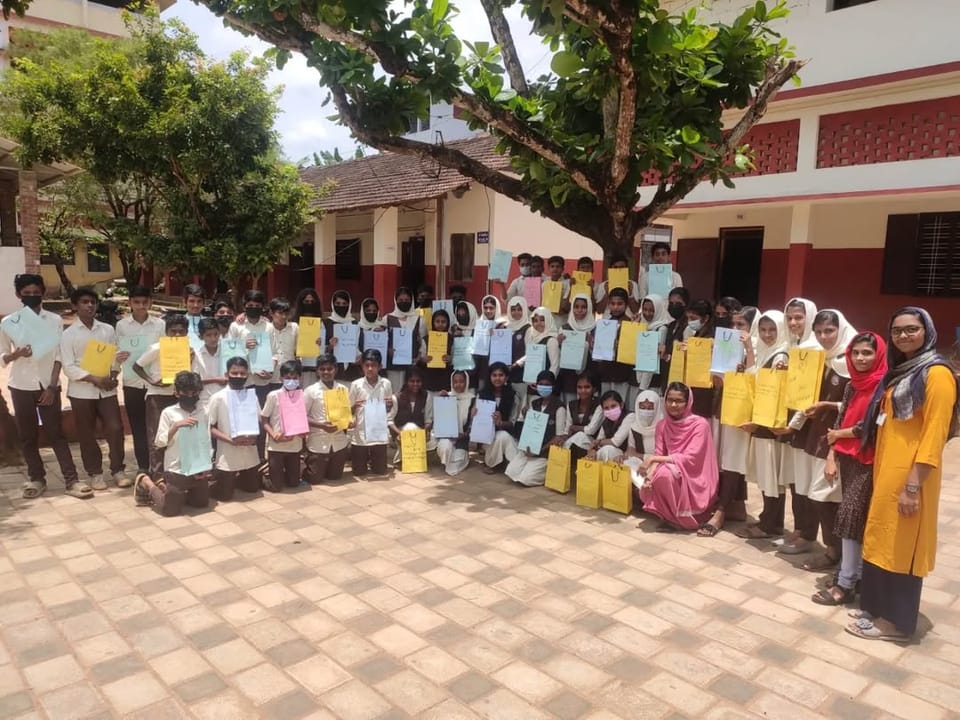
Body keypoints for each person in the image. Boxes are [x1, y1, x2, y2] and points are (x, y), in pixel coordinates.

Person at [849, 308, 958, 642]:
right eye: (897, 331)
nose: (903, 336)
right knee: (882, 538)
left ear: (926, 331)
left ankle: (897, 624)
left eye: (912, 329)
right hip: (887, 471)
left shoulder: (937, 373)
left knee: (903, 545)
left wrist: (913, 485)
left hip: (913, 476)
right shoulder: (899, 372)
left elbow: (934, 434)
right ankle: (876, 607)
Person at [812, 331, 887, 606]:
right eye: (856, 353)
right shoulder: (852, 385)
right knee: (855, 518)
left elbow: (872, 427)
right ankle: (855, 575)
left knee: (851, 515)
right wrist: (832, 456)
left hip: (871, 461)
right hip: (849, 460)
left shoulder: (885, 387)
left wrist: (839, 436)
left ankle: (845, 583)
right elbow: (840, 420)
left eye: (867, 353)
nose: (860, 358)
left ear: (878, 354)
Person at [779, 309, 856, 561]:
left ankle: (835, 552)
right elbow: (806, 398)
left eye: (829, 331)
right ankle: (832, 549)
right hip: (817, 435)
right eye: (819, 331)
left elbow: (861, 405)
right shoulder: (818, 359)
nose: (824, 337)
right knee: (818, 494)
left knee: (826, 495)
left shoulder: (854, 360)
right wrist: (794, 425)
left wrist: (828, 406)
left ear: (841, 329)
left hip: (840, 438)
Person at [0, 273, 83, 498]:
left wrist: (52, 387)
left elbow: (58, 355)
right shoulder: (9, 323)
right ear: (19, 295)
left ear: (42, 293)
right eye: (27, 294)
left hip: (47, 384)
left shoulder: (54, 320)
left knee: (56, 433)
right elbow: (2, 357)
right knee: (27, 436)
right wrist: (16, 354)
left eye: (36, 293)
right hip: (21, 385)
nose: (32, 297)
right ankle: (37, 479)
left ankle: (72, 480)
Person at [60, 287, 127, 491]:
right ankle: (95, 473)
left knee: (115, 428)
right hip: (81, 391)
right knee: (86, 433)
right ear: (75, 306)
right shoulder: (68, 334)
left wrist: (114, 375)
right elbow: (68, 366)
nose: (90, 306)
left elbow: (115, 357)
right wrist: (93, 379)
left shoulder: (107, 330)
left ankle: (117, 470)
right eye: (84, 302)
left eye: (92, 302)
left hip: (106, 390)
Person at [702, 305, 757, 537]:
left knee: (733, 458)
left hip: (740, 410)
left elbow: (758, 377)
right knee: (717, 455)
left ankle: (722, 510)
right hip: (719, 405)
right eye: (733, 325)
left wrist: (749, 350)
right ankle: (724, 503)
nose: (736, 330)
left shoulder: (761, 348)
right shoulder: (724, 345)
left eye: (741, 325)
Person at [736, 310, 790, 540]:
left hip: (769, 423)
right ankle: (770, 520)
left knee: (771, 476)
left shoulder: (781, 356)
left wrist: (758, 423)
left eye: (772, 330)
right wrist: (749, 349)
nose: (767, 334)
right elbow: (752, 378)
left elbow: (773, 394)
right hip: (761, 419)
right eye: (764, 329)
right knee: (767, 475)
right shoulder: (766, 352)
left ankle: (769, 525)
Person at [637, 382, 719, 532]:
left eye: (679, 401)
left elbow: (690, 458)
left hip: (695, 476)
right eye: (670, 400)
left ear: (688, 403)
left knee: (666, 473)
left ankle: (682, 519)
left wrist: (652, 460)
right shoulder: (662, 425)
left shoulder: (700, 425)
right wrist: (649, 476)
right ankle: (670, 517)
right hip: (674, 469)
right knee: (657, 475)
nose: (673, 405)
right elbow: (659, 453)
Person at [134, 371, 212, 516]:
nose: (190, 396)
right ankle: (147, 482)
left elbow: (206, 440)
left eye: (194, 392)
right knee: (169, 511)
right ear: (176, 393)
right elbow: (159, 442)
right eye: (185, 392)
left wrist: (205, 467)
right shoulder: (168, 413)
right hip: (176, 468)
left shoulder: (204, 411)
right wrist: (175, 427)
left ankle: (176, 492)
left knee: (201, 503)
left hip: (197, 467)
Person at [133, 314, 191, 487]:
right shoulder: (157, 348)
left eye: (181, 331)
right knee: (157, 436)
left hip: (178, 397)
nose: (178, 335)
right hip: (157, 396)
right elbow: (137, 365)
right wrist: (151, 380)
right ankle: (157, 475)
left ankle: (176, 471)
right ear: (166, 332)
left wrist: (192, 357)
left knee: (178, 435)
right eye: (173, 331)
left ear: (187, 332)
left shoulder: (189, 349)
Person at [114, 285, 165, 480]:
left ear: (150, 302)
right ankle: (143, 466)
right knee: (137, 427)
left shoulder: (159, 325)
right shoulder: (122, 326)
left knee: (157, 426)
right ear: (130, 303)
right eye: (137, 302)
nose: (141, 306)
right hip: (132, 382)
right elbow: (118, 349)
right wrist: (119, 356)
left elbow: (163, 350)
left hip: (155, 383)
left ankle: (159, 465)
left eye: (145, 302)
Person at [229, 289, 276, 459]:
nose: (253, 308)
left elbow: (275, 352)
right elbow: (229, 352)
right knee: (242, 420)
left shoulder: (268, 327)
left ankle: (259, 458)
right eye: (250, 305)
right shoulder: (236, 326)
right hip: (242, 382)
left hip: (262, 382)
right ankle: (243, 458)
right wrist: (243, 346)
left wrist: (271, 370)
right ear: (244, 306)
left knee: (260, 419)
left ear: (262, 307)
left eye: (257, 306)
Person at [207, 357, 262, 499]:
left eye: (242, 374)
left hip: (249, 450)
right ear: (227, 375)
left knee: (252, 489)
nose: (238, 376)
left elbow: (258, 420)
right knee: (225, 496)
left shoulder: (252, 396)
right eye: (234, 373)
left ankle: (236, 480)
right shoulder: (217, 398)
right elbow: (210, 427)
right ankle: (214, 482)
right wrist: (230, 440)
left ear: (247, 375)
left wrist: (254, 437)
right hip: (228, 452)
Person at [505, 370, 569, 486]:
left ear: (553, 386)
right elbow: (531, 430)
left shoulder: (559, 407)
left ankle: (548, 472)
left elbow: (558, 437)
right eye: (541, 384)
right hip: (530, 449)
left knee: (526, 479)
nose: (543, 387)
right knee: (511, 472)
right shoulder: (535, 403)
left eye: (547, 385)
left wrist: (540, 450)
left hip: (545, 451)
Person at [303, 354, 352, 483]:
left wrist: (349, 423)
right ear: (317, 371)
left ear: (335, 369)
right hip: (318, 441)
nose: (326, 372)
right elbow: (301, 416)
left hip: (338, 442)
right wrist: (321, 426)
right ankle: (304, 464)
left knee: (335, 477)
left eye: (329, 369)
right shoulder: (310, 391)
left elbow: (346, 414)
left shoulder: (343, 389)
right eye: (322, 369)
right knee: (315, 479)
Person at [260, 360, 307, 491]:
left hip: (295, 446)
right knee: (276, 487)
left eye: (294, 378)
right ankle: (262, 475)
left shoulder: (303, 396)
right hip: (276, 446)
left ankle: (283, 474)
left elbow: (305, 418)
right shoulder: (273, 396)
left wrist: (304, 433)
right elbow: (264, 419)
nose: (291, 381)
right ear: (281, 378)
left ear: (300, 378)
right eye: (287, 378)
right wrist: (273, 434)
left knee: (294, 483)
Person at [349, 349, 396, 476]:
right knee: (359, 472)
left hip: (378, 432)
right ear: (362, 366)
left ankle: (374, 460)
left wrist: (389, 406)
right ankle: (361, 458)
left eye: (374, 366)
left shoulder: (386, 384)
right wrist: (355, 406)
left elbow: (388, 409)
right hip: (361, 432)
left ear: (380, 367)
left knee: (380, 471)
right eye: (367, 365)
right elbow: (348, 409)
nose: (370, 369)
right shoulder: (356, 385)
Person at [468, 361, 521, 474]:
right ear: (490, 377)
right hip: (486, 437)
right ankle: (517, 465)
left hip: (507, 434)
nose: (497, 378)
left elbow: (513, 422)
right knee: (500, 436)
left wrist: (501, 423)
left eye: (501, 375)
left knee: (502, 435)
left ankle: (494, 463)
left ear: (506, 377)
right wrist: (473, 415)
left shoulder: (513, 396)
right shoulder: (482, 395)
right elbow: (474, 424)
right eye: (494, 375)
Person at [597, 288, 638, 409]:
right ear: (608, 304)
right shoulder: (604, 324)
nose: (616, 307)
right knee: (606, 405)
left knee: (620, 405)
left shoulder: (631, 324)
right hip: (606, 372)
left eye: (619, 304)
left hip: (623, 373)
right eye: (612, 304)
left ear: (626, 305)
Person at [389, 367, 436, 462]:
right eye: (412, 381)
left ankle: (416, 456)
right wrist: (399, 433)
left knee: (435, 440)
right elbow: (389, 421)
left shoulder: (427, 396)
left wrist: (425, 432)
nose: (415, 384)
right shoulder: (396, 397)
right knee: (410, 427)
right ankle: (407, 456)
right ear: (406, 382)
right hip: (400, 434)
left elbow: (428, 420)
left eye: (418, 381)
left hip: (420, 432)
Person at [558, 293, 596, 403]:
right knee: (569, 405)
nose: (579, 310)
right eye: (576, 307)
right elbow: (559, 355)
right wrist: (559, 344)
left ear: (589, 308)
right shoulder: (565, 328)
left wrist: (592, 346)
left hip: (589, 374)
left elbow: (600, 357)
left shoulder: (595, 328)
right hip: (569, 376)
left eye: (583, 307)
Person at [435, 370, 474, 476]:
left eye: (461, 381)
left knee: (459, 461)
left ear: (467, 382)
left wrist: (465, 434)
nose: (458, 384)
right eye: (455, 381)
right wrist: (441, 400)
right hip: (447, 437)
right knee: (445, 447)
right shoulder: (446, 396)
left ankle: (453, 460)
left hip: (462, 439)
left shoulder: (472, 399)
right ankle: (449, 459)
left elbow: (473, 425)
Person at [386, 286, 423, 393]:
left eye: (407, 300)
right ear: (395, 301)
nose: (404, 302)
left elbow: (423, 342)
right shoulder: (387, 318)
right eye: (401, 300)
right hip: (394, 367)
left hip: (412, 366)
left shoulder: (419, 319)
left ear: (411, 301)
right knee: (395, 394)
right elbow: (383, 341)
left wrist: (419, 357)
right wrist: (388, 350)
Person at [623, 390, 661, 484]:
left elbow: (665, 456)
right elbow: (630, 451)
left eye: (650, 408)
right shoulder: (635, 427)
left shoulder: (664, 427)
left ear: (657, 408)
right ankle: (643, 488)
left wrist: (643, 456)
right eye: (642, 408)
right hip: (641, 464)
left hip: (659, 464)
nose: (646, 411)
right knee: (627, 464)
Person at [636, 293, 671, 392]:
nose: (647, 313)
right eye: (645, 310)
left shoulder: (661, 328)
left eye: (652, 310)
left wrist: (642, 387)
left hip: (650, 382)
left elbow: (652, 357)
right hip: (639, 377)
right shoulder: (643, 324)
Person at [586, 391, 633, 462]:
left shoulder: (630, 417)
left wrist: (598, 442)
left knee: (607, 450)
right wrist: (593, 450)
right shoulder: (606, 421)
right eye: (606, 408)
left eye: (613, 406)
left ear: (621, 405)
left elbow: (616, 442)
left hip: (627, 455)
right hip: (614, 453)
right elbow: (598, 442)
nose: (610, 410)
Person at [192, 318, 226, 413]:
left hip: (225, 398)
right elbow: (195, 381)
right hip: (205, 400)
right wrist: (216, 380)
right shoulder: (197, 355)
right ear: (201, 337)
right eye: (208, 335)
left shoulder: (227, 352)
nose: (213, 339)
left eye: (216, 334)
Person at [504, 298, 532, 409]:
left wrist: (516, 365)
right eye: (513, 309)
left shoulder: (528, 329)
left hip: (521, 376)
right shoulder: (505, 328)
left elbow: (530, 353)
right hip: (506, 376)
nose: (516, 312)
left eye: (519, 309)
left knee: (521, 408)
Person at [292, 288, 323, 385]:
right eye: (306, 301)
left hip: (315, 370)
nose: (309, 303)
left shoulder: (322, 324)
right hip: (297, 371)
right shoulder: (293, 324)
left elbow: (325, 347)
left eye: (312, 301)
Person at [267, 298, 298, 392]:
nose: (284, 317)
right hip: (269, 377)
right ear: (271, 313)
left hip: (289, 378)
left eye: (286, 313)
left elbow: (301, 349)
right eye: (280, 313)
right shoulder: (265, 329)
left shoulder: (295, 328)